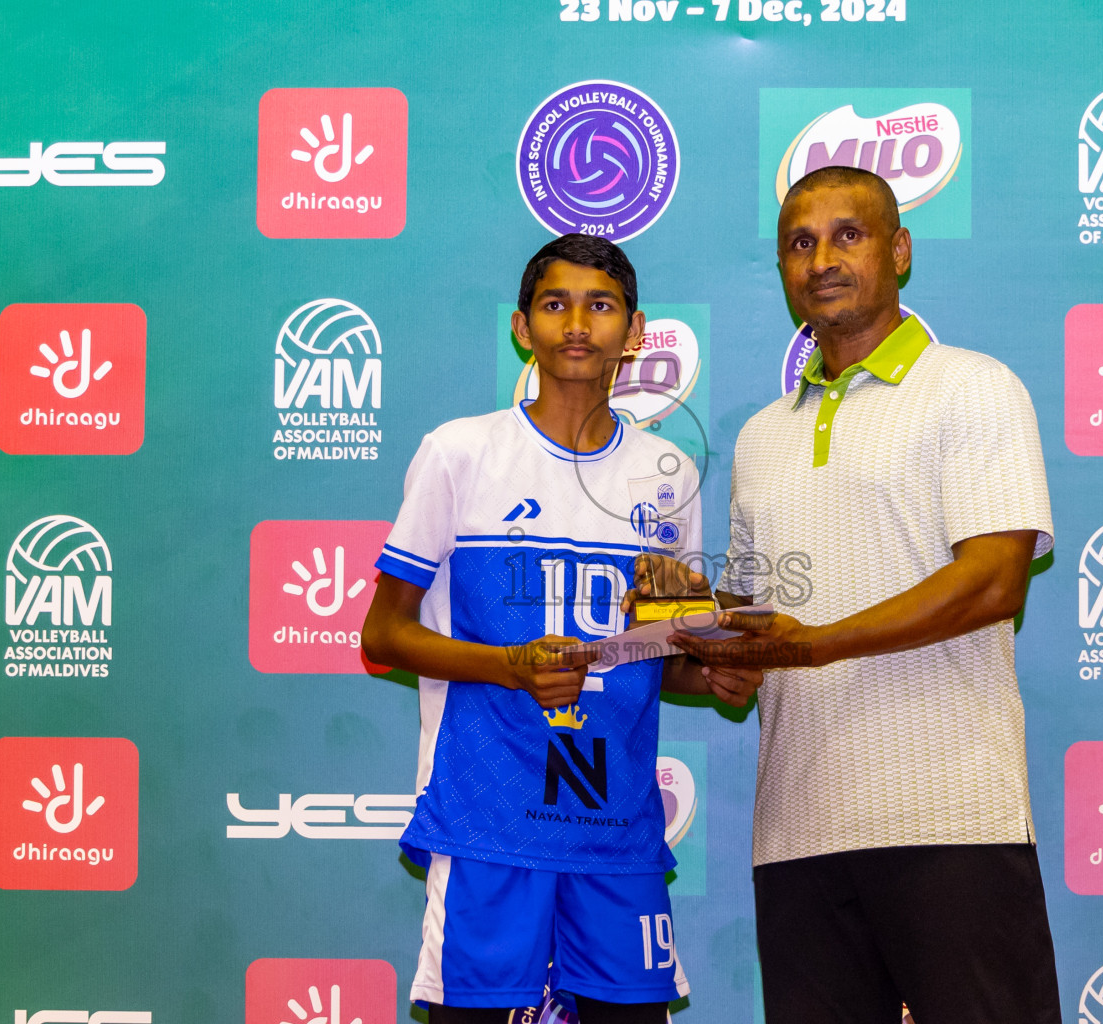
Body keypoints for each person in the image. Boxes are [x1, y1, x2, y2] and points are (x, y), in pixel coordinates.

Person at [671, 166, 1063, 1024]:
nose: (822, 260)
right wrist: (686, 629)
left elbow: (994, 582)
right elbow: (751, 626)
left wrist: (810, 644)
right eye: (799, 244)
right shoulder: (763, 436)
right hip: (798, 834)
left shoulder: (973, 385)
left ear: (900, 251)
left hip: (950, 821)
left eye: (848, 235)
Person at [360, 233, 759, 1024]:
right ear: (522, 326)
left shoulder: (668, 476)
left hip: (615, 828)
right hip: (488, 821)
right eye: (555, 304)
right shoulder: (460, 453)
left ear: (635, 333)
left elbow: (653, 653)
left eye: (600, 305)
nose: (577, 323)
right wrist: (511, 665)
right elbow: (383, 637)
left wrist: (710, 669)